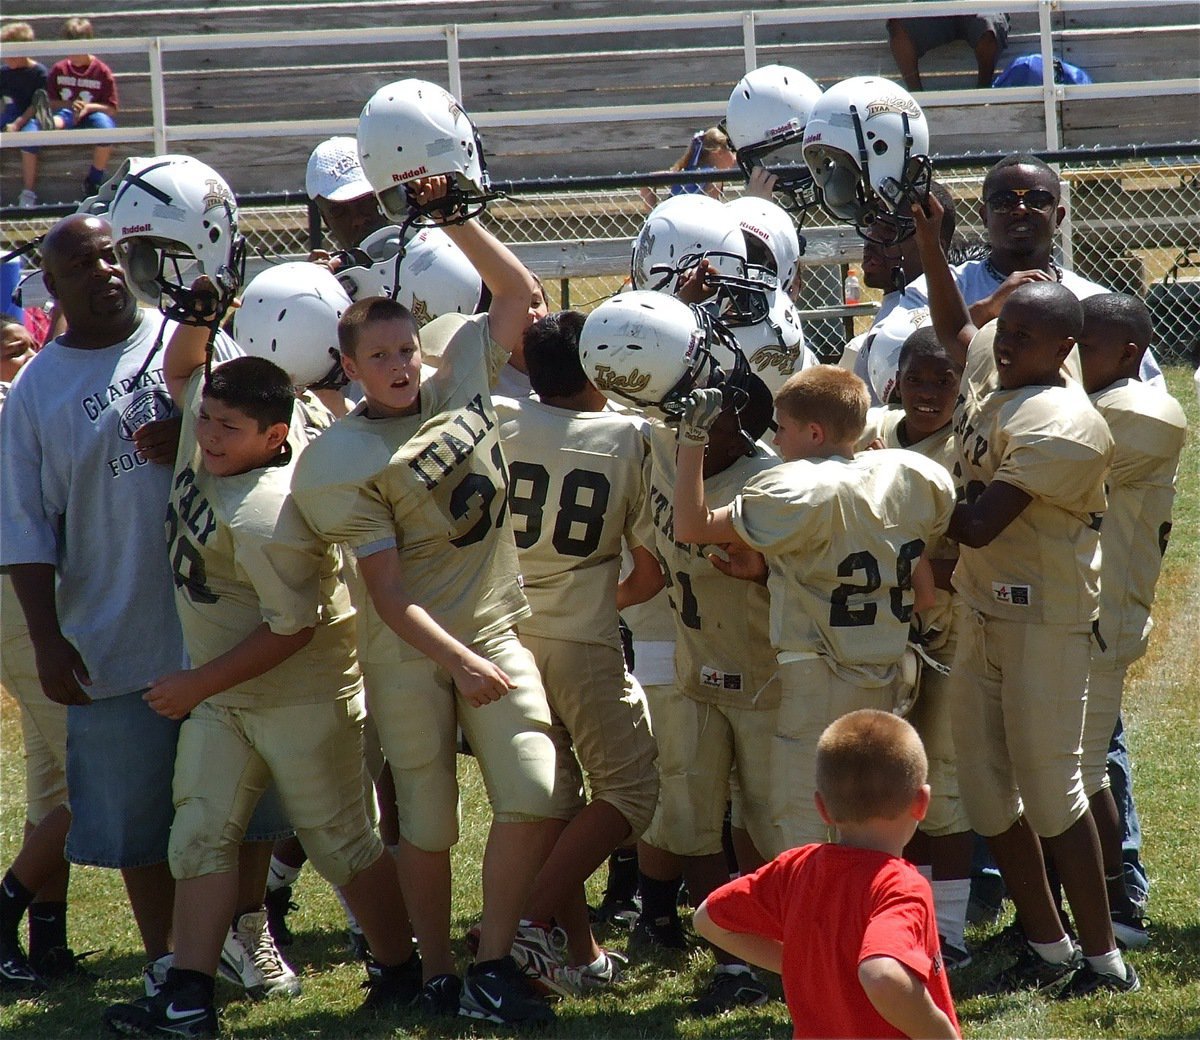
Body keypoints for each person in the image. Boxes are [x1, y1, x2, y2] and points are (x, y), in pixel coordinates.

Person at [101, 305, 420, 1037]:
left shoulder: (268, 513)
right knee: (200, 834)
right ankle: (188, 994)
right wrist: (196, 319)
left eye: (226, 428)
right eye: (206, 420)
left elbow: (295, 627)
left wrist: (194, 686)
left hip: (299, 696)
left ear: (276, 439)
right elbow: (184, 373)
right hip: (225, 695)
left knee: (342, 841)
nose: (207, 434)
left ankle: (405, 968)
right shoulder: (211, 441)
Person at [291, 176, 557, 1026]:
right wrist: (461, 662)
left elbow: (518, 293)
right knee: (428, 817)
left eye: (407, 350)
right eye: (380, 357)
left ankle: (493, 958)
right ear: (350, 367)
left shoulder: (458, 383)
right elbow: (390, 593)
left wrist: (459, 219)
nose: (400, 366)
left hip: (491, 621)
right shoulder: (342, 457)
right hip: (411, 650)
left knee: (536, 785)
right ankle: (436, 969)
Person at [912, 194, 1139, 997]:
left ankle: (1106, 960)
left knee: (1052, 793)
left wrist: (898, 487)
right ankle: (1046, 947)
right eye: (1005, 336)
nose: (1002, 352)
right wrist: (930, 245)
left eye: (1023, 342)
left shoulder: (1064, 422)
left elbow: (975, 524)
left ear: (1065, 350)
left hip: (1046, 618)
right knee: (981, 788)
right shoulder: (1004, 359)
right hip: (984, 609)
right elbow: (956, 334)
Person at [671, 366, 955, 853]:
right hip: (886, 674)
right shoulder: (905, 475)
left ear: (814, 432)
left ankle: (812, 928)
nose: (775, 440)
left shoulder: (799, 489)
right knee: (872, 817)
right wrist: (780, 575)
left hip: (818, 675)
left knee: (803, 822)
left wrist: (692, 439)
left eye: (781, 427)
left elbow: (691, 525)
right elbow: (923, 595)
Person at [493, 309, 659, 997]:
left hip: (503, 633)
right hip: (582, 636)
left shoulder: (498, 419)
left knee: (556, 801)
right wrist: (587, 600)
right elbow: (647, 575)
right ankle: (522, 928)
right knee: (631, 792)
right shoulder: (630, 435)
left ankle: (582, 953)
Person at [636, 376, 786, 1014]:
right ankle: (732, 960)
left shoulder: (771, 484)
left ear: (747, 430)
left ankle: (775, 943)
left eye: (712, 429)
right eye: (688, 428)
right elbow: (652, 559)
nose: (693, 441)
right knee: (695, 816)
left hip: (764, 679)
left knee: (762, 819)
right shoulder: (675, 466)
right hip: (695, 669)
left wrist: (767, 570)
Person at [694, 709, 960, 1039]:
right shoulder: (901, 887)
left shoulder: (795, 868)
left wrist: (799, 966)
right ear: (922, 802)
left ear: (822, 808)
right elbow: (883, 976)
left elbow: (708, 918)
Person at [858, 328, 973, 969]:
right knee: (887, 781)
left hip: (949, 625)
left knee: (944, 777)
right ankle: (906, 916)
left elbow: (984, 547)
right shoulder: (871, 428)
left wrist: (918, 571)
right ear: (894, 379)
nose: (929, 391)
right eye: (918, 378)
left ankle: (948, 932)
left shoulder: (971, 445)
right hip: (878, 625)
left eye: (944, 379)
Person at [1074, 292, 1186, 949]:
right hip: (1078, 608)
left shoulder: (1141, 409)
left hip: (1101, 615)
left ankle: (1116, 907)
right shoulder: (1094, 405)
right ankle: (1076, 912)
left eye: (1080, 347)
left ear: (1129, 353)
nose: (1067, 360)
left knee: (1083, 773)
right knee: (1060, 774)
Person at [0, 314, 80, 991]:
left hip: (38, 601)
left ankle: (47, 940)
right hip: (23, 603)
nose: (18, 366)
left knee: (52, 784)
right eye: (5, 356)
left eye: (25, 350)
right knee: (96, 780)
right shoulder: (15, 408)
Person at [843, 180, 957, 402]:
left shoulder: (925, 313)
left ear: (934, 243)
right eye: (872, 225)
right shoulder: (897, 301)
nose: (871, 240)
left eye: (890, 231)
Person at [27, 18, 120, 198]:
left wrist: (88, 107)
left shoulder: (101, 71)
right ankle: (51, 125)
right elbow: (52, 101)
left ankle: (94, 178)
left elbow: (111, 108)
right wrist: (71, 104)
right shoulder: (59, 69)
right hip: (67, 111)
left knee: (106, 128)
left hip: (92, 114)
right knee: (53, 120)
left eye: (78, 48)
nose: (74, 54)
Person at [886, 11, 1009, 92]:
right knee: (898, 27)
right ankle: (917, 100)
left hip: (980, 6)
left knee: (988, 29)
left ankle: (983, 94)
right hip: (936, 6)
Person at [0, 21, 49, 208]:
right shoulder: (4, 73)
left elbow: (37, 104)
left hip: (33, 115)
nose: (7, 59)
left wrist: (18, 125)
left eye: (11, 54)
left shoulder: (39, 73)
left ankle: (28, 192)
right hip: (11, 112)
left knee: (29, 139)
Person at [640, 126, 737, 209]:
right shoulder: (714, 178)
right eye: (732, 151)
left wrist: (653, 212)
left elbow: (646, 182)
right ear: (719, 153)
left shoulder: (681, 173)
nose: (735, 157)